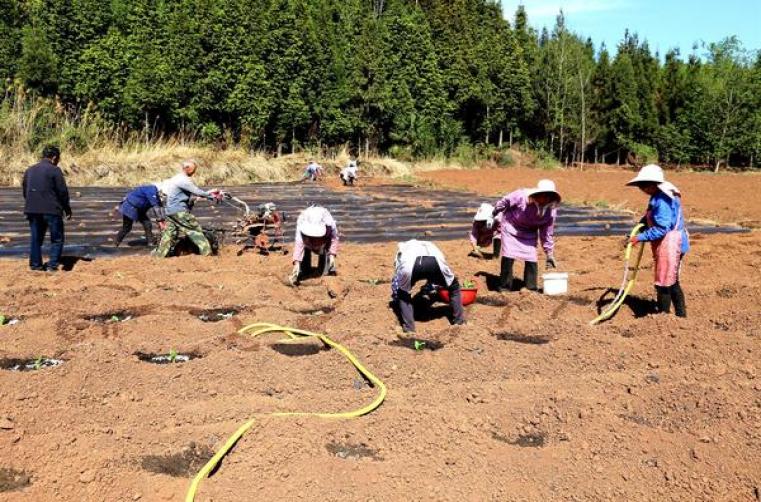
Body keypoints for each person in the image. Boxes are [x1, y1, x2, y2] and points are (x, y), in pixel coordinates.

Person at [626, 164, 689, 317]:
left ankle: (669, 316)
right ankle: (672, 314)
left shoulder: (662, 200)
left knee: (667, 283)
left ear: (653, 184)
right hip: (667, 243)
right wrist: (641, 225)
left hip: (671, 244)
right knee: (667, 281)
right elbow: (650, 217)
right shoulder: (657, 196)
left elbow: (662, 228)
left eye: (643, 185)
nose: (642, 189)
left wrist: (640, 237)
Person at [492, 179, 560, 292]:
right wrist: (496, 210)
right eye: (542, 195)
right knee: (509, 254)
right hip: (511, 227)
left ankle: (531, 288)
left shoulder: (551, 211)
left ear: (551, 197)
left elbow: (547, 233)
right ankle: (505, 286)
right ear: (537, 194)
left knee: (531, 257)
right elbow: (506, 201)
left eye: (548, 196)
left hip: (529, 232)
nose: (544, 198)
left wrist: (549, 254)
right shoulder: (521, 196)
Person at [390, 240, 466, 333]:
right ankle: (459, 321)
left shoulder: (402, 249)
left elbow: (398, 274)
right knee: (454, 287)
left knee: (403, 294)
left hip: (410, 265)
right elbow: (442, 262)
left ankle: (409, 328)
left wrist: (397, 295)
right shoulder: (431, 245)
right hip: (435, 262)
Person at [153, 160, 223, 257]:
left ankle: (158, 256)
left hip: (170, 211)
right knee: (195, 231)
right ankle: (207, 254)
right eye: (194, 170)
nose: (194, 172)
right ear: (188, 169)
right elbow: (197, 191)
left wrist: (208, 193)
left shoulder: (175, 178)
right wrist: (213, 196)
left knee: (169, 234)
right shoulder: (184, 180)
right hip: (179, 212)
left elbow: (191, 194)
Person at [22, 145, 71, 272]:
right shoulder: (55, 170)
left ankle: (36, 265)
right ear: (54, 157)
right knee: (57, 238)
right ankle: (52, 265)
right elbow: (62, 192)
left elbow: (25, 190)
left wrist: (31, 203)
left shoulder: (30, 170)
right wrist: (67, 209)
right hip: (51, 209)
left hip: (32, 209)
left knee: (36, 238)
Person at [290, 206, 339, 285]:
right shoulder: (302, 221)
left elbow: (334, 238)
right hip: (307, 243)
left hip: (323, 243)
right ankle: (305, 270)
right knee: (304, 251)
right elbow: (299, 244)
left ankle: (325, 271)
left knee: (325, 263)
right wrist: (296, 263)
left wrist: (332, 255)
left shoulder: (329, 224)